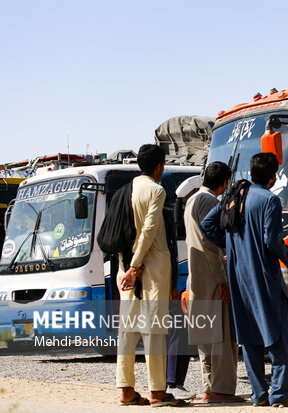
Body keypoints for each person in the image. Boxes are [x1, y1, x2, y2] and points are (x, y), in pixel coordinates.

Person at [202, 152, 288, 407]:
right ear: (273, 177)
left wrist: (229, 246)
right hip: (263, 275)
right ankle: (281, 394)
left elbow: (208, 224)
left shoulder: (235, 196)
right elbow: (271, 241)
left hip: (238, 275)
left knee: (249, 335)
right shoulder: (270, 200)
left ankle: (259, 394)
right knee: (279, 333)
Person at [116, 144, 185, 407]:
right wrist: (137, 265)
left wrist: (129, 267)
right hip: (150, 270)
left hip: (125, 272)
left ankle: (126, 390)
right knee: (154, 330)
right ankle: (157, 392)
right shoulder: (156, 190)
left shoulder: (124, 191)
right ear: (159, 167)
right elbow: (149, 229)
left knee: (128, 332)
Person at [184, 161, 244, 403]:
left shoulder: (192, 199)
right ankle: (220, 389)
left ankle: (210, 386)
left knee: (206, 334)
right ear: (224, 182)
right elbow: (212, 245)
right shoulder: (209, 201)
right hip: (211, 275)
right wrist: (223, 278)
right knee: (221, 334)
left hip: (195, 276)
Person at [160, 171, 195, 401]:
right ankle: (172, 381)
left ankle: (166, 380)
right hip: (169, 282)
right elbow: (171, 254)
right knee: (177, 332)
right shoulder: (169, 214)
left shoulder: (154, 211)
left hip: (156, 282)